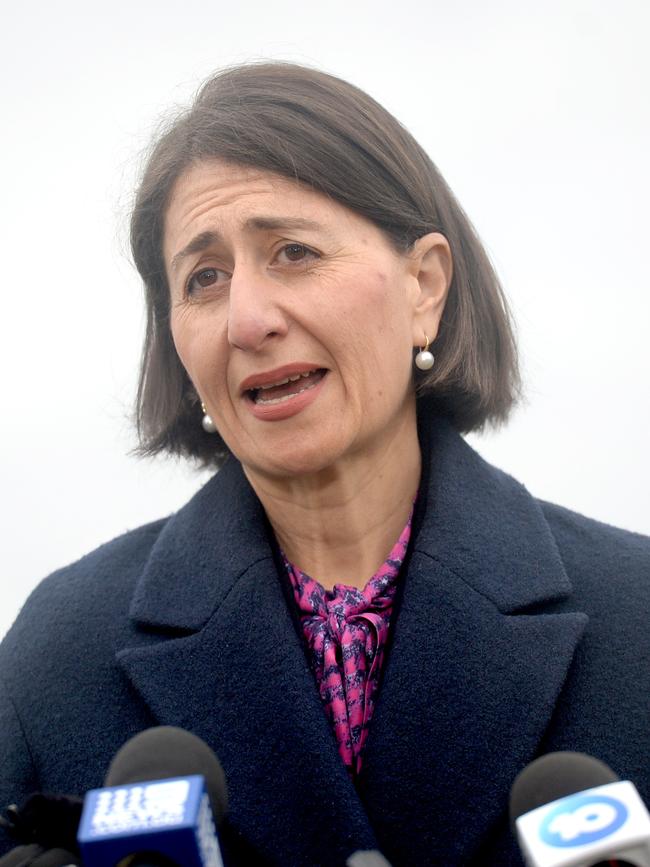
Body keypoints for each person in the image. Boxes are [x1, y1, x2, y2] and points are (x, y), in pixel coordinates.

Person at [0, 62, 648, 867]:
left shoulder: (637, 616)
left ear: (425, 286)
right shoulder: (58, 652)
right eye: (205, 278)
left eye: (295, 252)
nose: (247, 318)